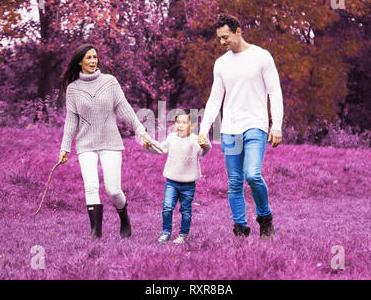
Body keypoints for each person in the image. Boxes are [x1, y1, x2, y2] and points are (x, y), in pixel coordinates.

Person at [198, 14, 284, 239]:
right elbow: (215, 99)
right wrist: (204, 129)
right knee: (235, 181)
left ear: (238, 31)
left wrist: (277, 125)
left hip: (256, 125)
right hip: (230, 129)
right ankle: (240, 228)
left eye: (225, 37)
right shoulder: (221, 64)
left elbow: (275, 92)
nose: (222, 42)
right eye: (219, 39)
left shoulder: (262, 57)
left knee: (252, 174)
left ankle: (265, 219)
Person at [58, 43, 155, 239]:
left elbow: (124, 109)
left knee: (113, 190)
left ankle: (124, 217)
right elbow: (71, 121)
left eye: (95, 57)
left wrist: (141, 131)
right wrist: (65, 148)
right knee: (91, 186)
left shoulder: (110, 82)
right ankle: (95, 231)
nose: (93, 61)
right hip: (86, 145)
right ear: (80, 62)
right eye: (88, 58)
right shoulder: (73, 89)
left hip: (110, 142)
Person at [143, 109, 211, 243]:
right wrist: (148, 146)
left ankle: (183, 235)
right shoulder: (172, 138)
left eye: (184, 122)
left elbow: (203, 151)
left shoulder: (194, 140)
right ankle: (166, 232)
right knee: (167, 207)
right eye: (178, 122)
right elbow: (160, 149)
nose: (180, 125)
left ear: (191, 126)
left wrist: (206, 144)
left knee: (185, 210)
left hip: (188, 184)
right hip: (171, 182)